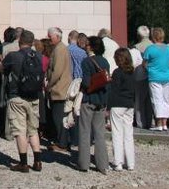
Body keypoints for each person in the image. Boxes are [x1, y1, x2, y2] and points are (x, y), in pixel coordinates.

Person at [4, 30, 44, 173]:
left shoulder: (13, 56)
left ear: (20, 40)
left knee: (19, 130)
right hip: (34, 97)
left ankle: (23, 163)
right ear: (32, 42)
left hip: (17, 97)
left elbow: (1, 68)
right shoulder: (39, 56)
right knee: (33, 130)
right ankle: (38, 161)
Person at [77, 36, 110, 174]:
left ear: (90, 47)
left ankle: (84, 164)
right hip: (101, 99)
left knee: (85, 132)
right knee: (99, 134)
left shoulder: (86, 61)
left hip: (89, 98)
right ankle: (102, 164)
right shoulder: (105, 61)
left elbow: (86, 82)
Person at [108, 47, 136, 171]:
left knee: (117, 133)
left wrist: (108, 107)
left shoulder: (117, 72)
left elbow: (114, 91)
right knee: (128, 134)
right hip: (129, 104)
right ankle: (131, 163)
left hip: (117, 104)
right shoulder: (132, 72)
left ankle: (118, 162)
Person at [46, 27, 72, 151]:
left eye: (50, 36)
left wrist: (49, 84)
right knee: (59, 116)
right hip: (59, 87)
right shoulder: (59, 48)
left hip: (59, 89)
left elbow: (57, 71)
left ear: (57, 37)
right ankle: (62, 140)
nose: (48, 38)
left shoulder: (60, 50)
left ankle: (62, 143)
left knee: (59, 117)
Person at [143, 27, 169, 132]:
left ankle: (159, 123)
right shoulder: (168, 48)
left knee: (157, 100)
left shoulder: (150, 49)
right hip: (167, 76)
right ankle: (165, 123)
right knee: (166, 100)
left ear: (153, 37)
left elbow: (144, 64)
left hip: (155, 77)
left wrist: (149, 70)